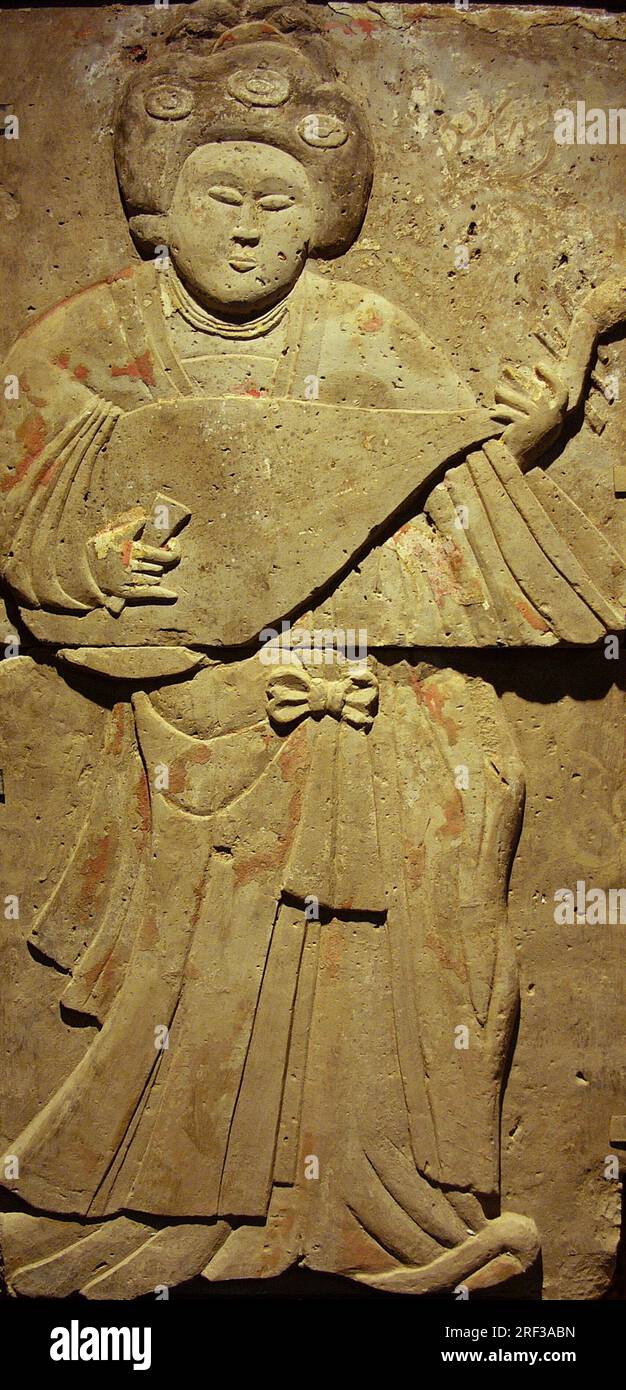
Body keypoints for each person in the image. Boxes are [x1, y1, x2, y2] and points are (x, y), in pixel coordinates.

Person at [0, 4, 624, 1297]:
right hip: (189, 709)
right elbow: (32, 482)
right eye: (221, 192)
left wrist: (539, 414)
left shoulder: (369, 337)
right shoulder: (97, 334)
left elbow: (428, 493)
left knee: (455, 793)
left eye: (280, 204)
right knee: (236, 903)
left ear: (321, 217)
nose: (247, 225)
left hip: (351, 685)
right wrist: (109, 560)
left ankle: (401, 1208)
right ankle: (159, 1218)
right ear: (157, 206)